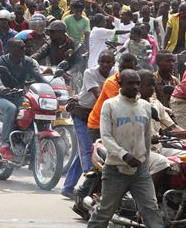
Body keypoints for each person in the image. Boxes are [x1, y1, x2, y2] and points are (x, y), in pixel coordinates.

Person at [86, 69, 164, 228]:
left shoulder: (145, 106)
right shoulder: (110, 105)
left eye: (137, 83)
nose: (135, 87)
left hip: (140, 170)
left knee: (151, 209)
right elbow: (106, 137)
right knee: (104, 212)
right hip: (116, 169)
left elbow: (146, 138)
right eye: (130, 83)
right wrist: (124, 155)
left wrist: (146, 162)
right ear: (120, 84)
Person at [62, 50, 114, 200]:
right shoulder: (89, 73)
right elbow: (99, 95)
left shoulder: (115, 74)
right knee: (87, 150)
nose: (105, 64)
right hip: (83, 114)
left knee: (84, 152)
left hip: (99, 117)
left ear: (113, 63)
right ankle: (89, 185)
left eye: (108, 62)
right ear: (97, 61)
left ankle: (68, 187)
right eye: (102, 61)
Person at [0, 38, 48, 160]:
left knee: (36, 107)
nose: (24, 50)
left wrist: (51, 88)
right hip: (1, 97)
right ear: (11, 49)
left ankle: (29, 138)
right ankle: (5, 144)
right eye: (21, 48)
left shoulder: (27, 61)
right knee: (11, 109)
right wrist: (1, 88)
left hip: (19, 96)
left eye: (24, 47)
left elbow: (38, 76)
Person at [86, 53, 138, 142]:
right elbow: (122, 105)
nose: (124, 72)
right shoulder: (111, 82)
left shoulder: (137, 81)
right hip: (99, 125)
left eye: (129, 68)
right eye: (122, 68)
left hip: (118, 123)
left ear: (135, 68)